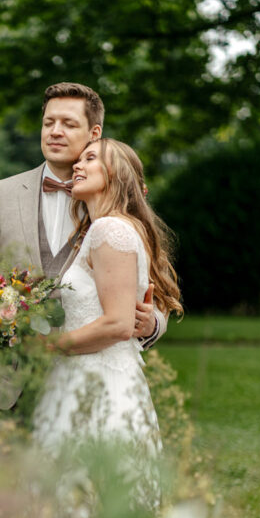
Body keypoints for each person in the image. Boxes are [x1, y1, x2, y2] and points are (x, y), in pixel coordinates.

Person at [0, 82, 167, 417]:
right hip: (5, 388)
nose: (55, 132)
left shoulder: (113, 213)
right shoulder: (0, 194)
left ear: (94, 132)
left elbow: (153, 293)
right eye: (49, 122)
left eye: (68, 123)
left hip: (84, 387)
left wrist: (151, 325)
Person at [30, 137, 182, 468]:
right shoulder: (110, 229)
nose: (77, 165)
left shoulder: (110, 229)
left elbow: (117, 323)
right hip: (101, 373)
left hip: (97, 378)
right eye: (78, 159)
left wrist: (50, 346)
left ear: (115, 173)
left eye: (90, 159)